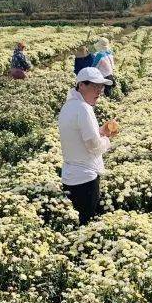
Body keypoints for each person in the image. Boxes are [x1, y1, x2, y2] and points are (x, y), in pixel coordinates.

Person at [58, 67, 117, 225]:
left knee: (77, 223)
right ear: (81, 85)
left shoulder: (68, 106)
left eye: (101, 87)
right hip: (85, 178)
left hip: (70, 176)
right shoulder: (84, 109)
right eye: (94, 86)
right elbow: (94, 146)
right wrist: (107, 139)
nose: (99, 91)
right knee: (87, 224)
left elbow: (78, 136)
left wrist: (100, 131)